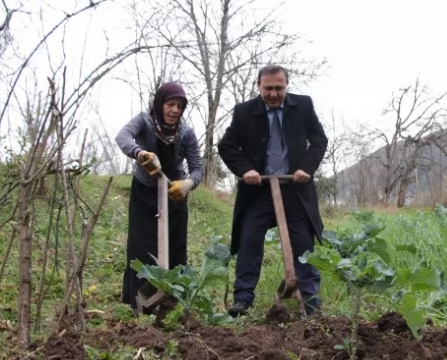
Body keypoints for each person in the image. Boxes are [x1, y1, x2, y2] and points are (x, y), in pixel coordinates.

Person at [217, 65, 328, 317]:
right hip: (259, 190)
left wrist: (306, 168)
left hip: (295, 188)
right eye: (268, 88)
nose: (274, 94)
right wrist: (245, 170)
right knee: (249, 240)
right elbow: (227, 146)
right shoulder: (244, 112)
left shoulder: (303, 106)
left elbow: (319, 140)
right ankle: (242, 300)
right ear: (259, 87)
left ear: (286, 86)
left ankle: (310, 303)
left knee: (303, 243)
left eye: (279, 88)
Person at [115, 81, 203, 311]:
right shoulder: (144, 121)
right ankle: (138, 303)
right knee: (141, 247)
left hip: (174, 194)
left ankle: (170, 303)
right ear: (160, 103)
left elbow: (197, 168)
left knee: (174, 248)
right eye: (170, 104)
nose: (175, 110)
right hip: (144, 192)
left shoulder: (186, 134)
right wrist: (141, 153)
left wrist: (187, 184)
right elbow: (123, 137)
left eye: (180, 106)